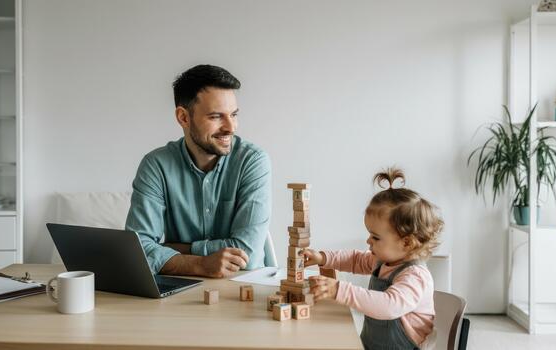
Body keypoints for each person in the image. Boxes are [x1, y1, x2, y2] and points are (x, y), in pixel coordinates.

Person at [125, 64, 271, 278]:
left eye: (234, 114)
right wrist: (200, 265)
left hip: (243, 286)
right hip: (180, 288)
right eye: (215, 116)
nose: (231, 127)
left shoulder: (252, 161)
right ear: (184, 117)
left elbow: (246, 252)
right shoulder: (156, 165)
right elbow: (137, 249)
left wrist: (180, 250)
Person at [301, 167, 442, 350]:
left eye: (375, 237)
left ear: (407, 243)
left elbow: (389, 306)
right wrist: (322, 258)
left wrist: (340, 290)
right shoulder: (382, 260)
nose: (368, 240)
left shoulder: (415, 276)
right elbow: (354, 259)